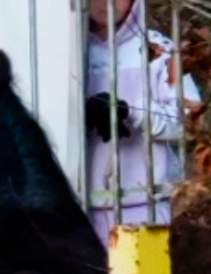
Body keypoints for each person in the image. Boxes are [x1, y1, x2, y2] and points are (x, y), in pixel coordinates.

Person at [85, 0, 201, 247]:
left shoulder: (159, 50)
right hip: (81, 210)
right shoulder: (64, 52)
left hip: (150, 207)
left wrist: (132, 111)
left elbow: (189, 122)